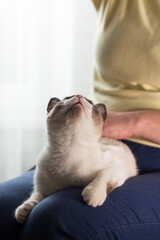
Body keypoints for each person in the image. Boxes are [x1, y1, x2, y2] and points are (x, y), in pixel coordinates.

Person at [1, 1, 160, 239]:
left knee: (57, 221)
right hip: (95, 141)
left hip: (148, 152)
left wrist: (134, 122)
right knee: (3, 208)